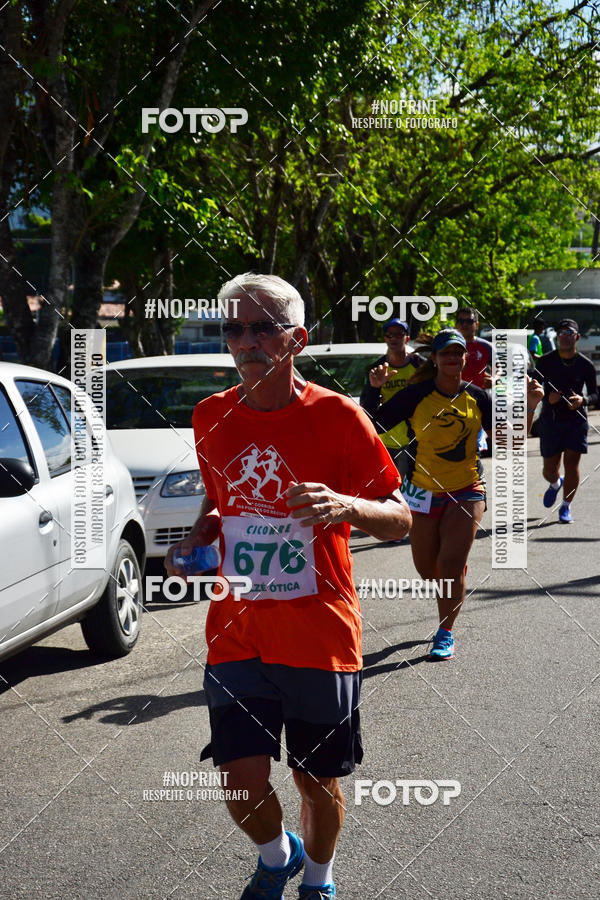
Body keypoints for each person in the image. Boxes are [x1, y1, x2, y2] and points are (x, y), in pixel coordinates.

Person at [166, 273, 411, 900]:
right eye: (234, 328)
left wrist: (344, 504)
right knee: (240, 785)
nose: (245, 340)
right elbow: (222, 506)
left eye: (263, 327)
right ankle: (278, 855)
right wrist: (199, 539)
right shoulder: (209, 416)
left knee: (315, 781)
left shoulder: (339, 417)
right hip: (235, 630)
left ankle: (320, 880)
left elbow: (400, 518)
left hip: (319, 635)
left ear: (297, 339)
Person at [363, 328, 491, 661]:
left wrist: (529, 409)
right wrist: (372, 389)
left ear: (465, 358)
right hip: (421, 491)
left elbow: (508, 442)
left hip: (467, 490)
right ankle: (453, 585)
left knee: (449, 565)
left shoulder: (478, 397)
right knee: (427, 569)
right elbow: (372, 425)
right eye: (445, 352)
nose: (452, 358)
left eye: (458, 352)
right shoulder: (416, 395)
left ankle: (445, 631)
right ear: (433, 358)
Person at [534, 318, 598, 523]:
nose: (564, 337)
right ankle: (555, 484)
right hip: (551, 420)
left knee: (572, 464)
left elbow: (596, 395)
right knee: (550, 469)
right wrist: (547, 397)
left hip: (576, 420)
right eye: (561, 333)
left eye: (569, 333)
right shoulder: (544, 361)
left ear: (577, 337)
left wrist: (583, 400)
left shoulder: (585, 365)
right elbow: (532, 387)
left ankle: (565, 507)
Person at [359, 318, 425, 478]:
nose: (394, 338)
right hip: (385, 441)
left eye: (399, 334)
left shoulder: (421, 366)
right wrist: (375, 389)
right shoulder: (377, 368)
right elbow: (366, 409)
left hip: (416, 441)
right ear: (385, 339)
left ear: (407, 338)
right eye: (389, 335)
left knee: (413, 494)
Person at [454, 306, 493, 389]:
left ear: (477, 324)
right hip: (452, 396)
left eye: (469, 321)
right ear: (456, 324)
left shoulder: (486, 346)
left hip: (479, 397)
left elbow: (499, 368)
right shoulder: (448, 346)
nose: (464, 324)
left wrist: (494, 379)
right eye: (461, 321)